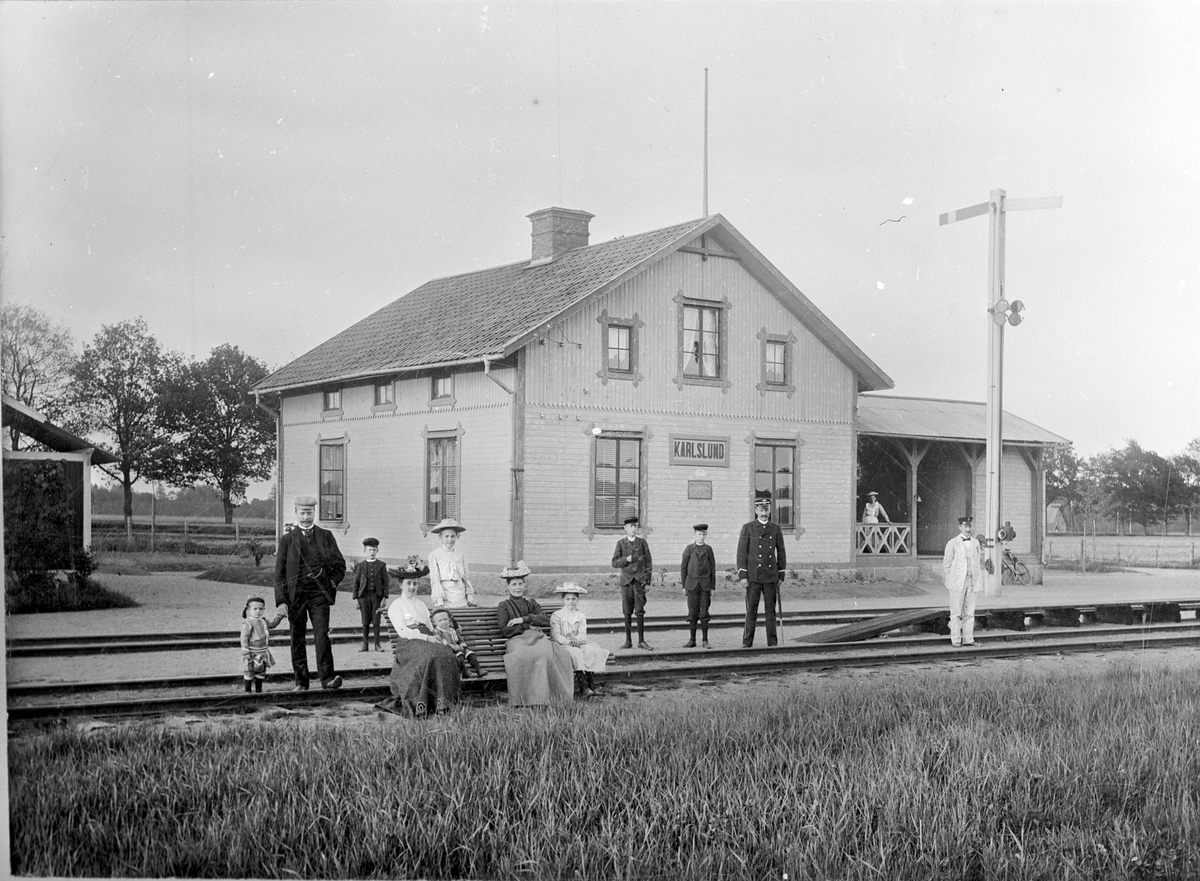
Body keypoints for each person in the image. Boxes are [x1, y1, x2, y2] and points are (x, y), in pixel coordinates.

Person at [274, 495, 347, 691]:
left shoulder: (326, 536)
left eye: (309, 512)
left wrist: (330, 582)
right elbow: (279, 573)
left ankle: (328, 679)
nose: (306, 517)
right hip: (295, 596)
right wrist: (281, 601)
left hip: (319, 595)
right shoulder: (287, 540)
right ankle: (301, 682)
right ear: (296, 513)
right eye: (302, 513)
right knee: (296, 637)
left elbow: (340, 565)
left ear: (315, 513)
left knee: (322, 635)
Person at [378, 557, 462, 716]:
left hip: (426, 638)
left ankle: (444, 703)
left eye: (415, 584)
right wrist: (428, 638)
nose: (412, 587)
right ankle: (425, 702)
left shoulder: (421, 604)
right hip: (409, 643)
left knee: (446, 654)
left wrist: (439, 638)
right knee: (432, 655)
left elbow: (430, 627)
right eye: (408, 583)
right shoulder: (397, 605)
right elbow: (403, 631)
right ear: (401, 585)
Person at [496, 561, 574, 706]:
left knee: (544, 654)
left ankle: (546, 698)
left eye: (520, 584)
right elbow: (504, 630)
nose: (518, 587)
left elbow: (545, 620)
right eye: (514, 584)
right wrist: (528, 625)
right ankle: (525, 699)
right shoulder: (504, 606)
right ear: (508, 586)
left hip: (537, 637)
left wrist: (523, 619)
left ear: (524, 585)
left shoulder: (531, 603)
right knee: (521, 656)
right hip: (516, 640)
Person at [736, 489, 787, 648]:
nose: (764, 513)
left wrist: (781, 574)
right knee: (751, 610)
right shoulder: (748, 528)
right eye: (761, 510)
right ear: (756, 510)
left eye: (766, 510)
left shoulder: (775, 528)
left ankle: (772, 642)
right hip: (753, 576)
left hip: (770, 576)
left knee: (771, 611)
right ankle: (747, 641)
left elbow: (781, 551)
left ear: (770, 510)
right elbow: (741, 552)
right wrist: (743, 575)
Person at [549, 583, 608, 696]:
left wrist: (576, 639)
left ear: (577, 600)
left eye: (573, 599)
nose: (571, 601)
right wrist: (568, 641)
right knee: (576, 653)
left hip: (578, 642)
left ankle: (591, 685)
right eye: (568, 599)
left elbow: (582, 633)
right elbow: (556, 635)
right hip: (563, 644)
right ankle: (583, 687)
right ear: (563, 600)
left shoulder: (580, 615)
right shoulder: (557, 615)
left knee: (591, 651)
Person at [611, 514, 653, 650]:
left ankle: (641, 641)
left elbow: (649, 563)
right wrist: (626, 560)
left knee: (640, 611)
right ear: (625, 528)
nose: (634, 528)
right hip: (626, 582)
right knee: (627, 611)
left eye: (635, 526)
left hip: (639, 582)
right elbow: (614, 563)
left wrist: (647, 582)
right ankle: (628, 641)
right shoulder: (621, 543)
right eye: (631, 526)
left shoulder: (642, 543)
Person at [943, 516, 984, 647]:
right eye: (965, 526)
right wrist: (955, 577)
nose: (968, 529)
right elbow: (947, 564)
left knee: (969, 612)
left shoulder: (975, 543)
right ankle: (956, 640)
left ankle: (968, 639)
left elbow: (977, 561)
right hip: (957, 583)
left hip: (972, 581)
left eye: (970, 526)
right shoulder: (952, 543)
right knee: (956, 612)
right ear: (959, 527)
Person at [680, 523, 716, 648]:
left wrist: (712, 587)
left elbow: (712, 568)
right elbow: (683, 568)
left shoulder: (708, 549)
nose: (701, 537)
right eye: (699, 534)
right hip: (692, 585)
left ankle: (705, 640)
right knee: (692, 613)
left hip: (705, 586)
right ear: (694, 535)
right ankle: (692, 640)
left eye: (704, 534)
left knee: (704, 613)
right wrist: (684, 586)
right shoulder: (689, 549)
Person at [351, 536, 390, 652]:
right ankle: (365, 644)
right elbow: (356, 582)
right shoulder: (361, 566)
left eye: (374, 550)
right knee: (365, 620)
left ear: (377, 551)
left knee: (376, 620)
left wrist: (384, 598)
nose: (372, 552)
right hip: (363, 597)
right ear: (364, 551)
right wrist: (356, 599)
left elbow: (386, 582)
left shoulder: (381, 565)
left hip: (376, 596)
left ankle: (377, 644)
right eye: (369, 550)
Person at [427, 518, 476, 608]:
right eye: (446, 536)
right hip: (446, 595)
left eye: (452, 536)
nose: (450, 539)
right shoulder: (434, 555)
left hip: (460, 594)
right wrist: (440, 602)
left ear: (457, 536)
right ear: (440, 537)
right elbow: (435, 580)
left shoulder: (460, 554)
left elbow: (466, 578)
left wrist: (470, 598)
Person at [240, 595, 285, 693]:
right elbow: (244, 638)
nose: (258, 611)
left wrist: (279, 616)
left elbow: (272, 624)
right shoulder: (247, 623)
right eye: (255, 609)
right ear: (248, 609)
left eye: (260, 609)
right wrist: (246, 652)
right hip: (251, 652)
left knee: (260, 672)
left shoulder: (263, 621)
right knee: (249, 672)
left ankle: (258, 692)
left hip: (262, 652)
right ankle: (248, 692)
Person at [431, 606, 484, 679]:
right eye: (440, 620)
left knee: (470, 653)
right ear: (435, 622)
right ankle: (465, 672)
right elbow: (441, 640)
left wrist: (462, 645)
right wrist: (451, 646)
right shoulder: (436, 631)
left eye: (445, 619)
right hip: (447, 649)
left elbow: (459, 638)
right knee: (460, 655)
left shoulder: (451, 629)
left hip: (458, 647)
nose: (444, 622)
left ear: (449, 619)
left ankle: (479, 670)